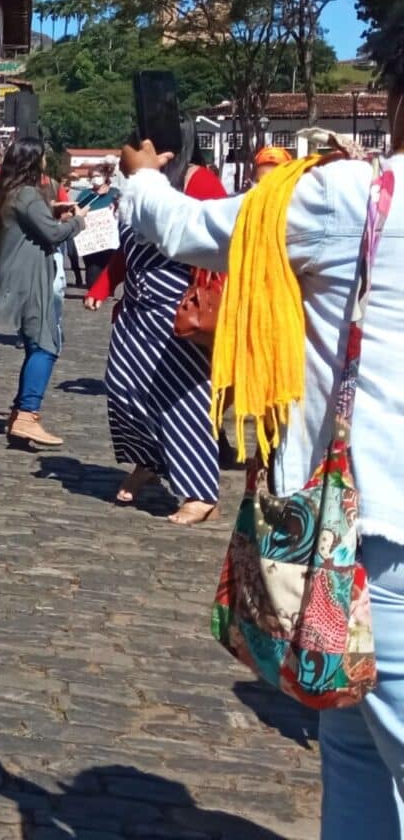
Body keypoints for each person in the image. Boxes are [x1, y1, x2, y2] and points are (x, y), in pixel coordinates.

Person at [120, 125, 404, 840]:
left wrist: (145, 176)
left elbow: (188, 226)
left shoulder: (351, 195)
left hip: (366, 531)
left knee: (364, 746)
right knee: (352, 740)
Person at [86, 143, 228, 525]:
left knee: (183, 398)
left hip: (176, 310)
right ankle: (150, 459)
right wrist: (103, 286)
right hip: (136, 309)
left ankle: (200, 491)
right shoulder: (134, 189)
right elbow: (124, 251)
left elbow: (216, 236)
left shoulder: (198, 181)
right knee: (121, 386)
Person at [0, 135, 84, 450]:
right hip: (30, 277)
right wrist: (78, 222)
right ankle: (28, 412)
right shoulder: (27, 194)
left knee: (34, 343)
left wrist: (52, 212)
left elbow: (37, 224)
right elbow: (52, 233)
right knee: (45, 345)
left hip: (19, 273)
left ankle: (18, 413)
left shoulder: (10, 192)